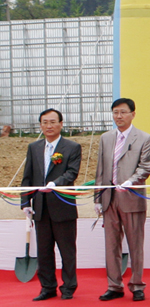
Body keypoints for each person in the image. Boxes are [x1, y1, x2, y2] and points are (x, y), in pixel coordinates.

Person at [94, 98, 150, 301]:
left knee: (135, 244)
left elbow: (146, 166)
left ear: (133, 114)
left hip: (131, 197)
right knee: (111, 244)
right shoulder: (106, 138)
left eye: (122, 112)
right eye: (115, 112)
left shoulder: (144, 138)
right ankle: (114, 285)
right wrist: (97, 198)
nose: (118, 116)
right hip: (109, 198)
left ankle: (137, 285)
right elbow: (100, 170)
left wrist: (130, 181)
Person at [21, 108, 81, 301]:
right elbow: (28, 176)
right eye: (45, 122)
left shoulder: (72, 147)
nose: (49, 126)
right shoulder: (34, 147)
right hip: (40, 208)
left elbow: (71, 173)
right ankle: (47, 287)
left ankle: (68, 287)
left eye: (53, 122)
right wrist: (25, 202)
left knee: (67, 251)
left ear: (61, 124)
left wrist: (55, 184)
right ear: (40, 125)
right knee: (44, 251)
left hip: (63, 207)